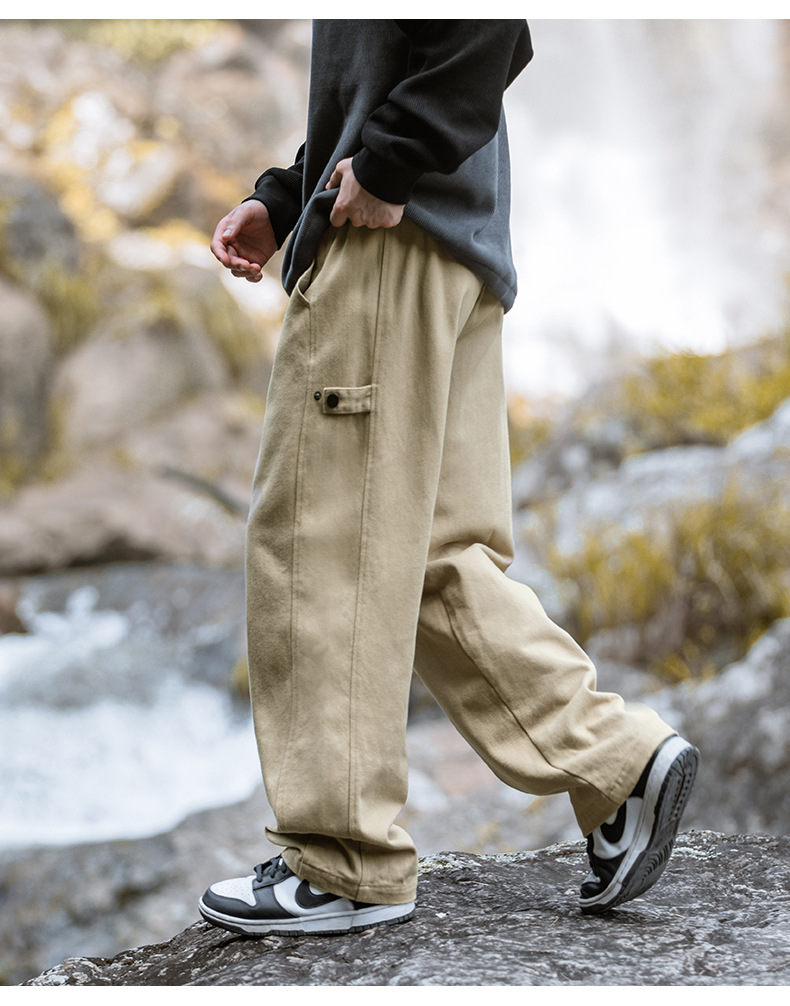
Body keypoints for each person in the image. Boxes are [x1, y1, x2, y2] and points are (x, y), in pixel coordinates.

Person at [199, 20, 698, 936]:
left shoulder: (395, 181)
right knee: (437, 557)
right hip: (454, 249)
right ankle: (617, 762)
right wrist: (289, 194)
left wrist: (389, 164)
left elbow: (488, 28)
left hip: (388, 237)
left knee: (321, 544)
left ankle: (343, 862)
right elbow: (398, 67)